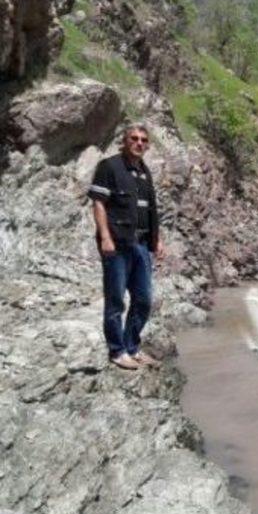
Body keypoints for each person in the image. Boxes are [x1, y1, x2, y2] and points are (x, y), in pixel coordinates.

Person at [88, 124, 165, 369]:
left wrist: (157, 239)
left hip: (142, 245)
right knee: (115, 301)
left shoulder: (144, 172)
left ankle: (132, 346)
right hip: (118, 245)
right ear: (125, 141)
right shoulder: (109, 167)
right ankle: (117, 350)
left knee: (143, 300)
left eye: (144, 140)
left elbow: (150, 209)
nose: (139, 143)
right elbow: (99, 204)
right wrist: (105, 237)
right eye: (134, 138)